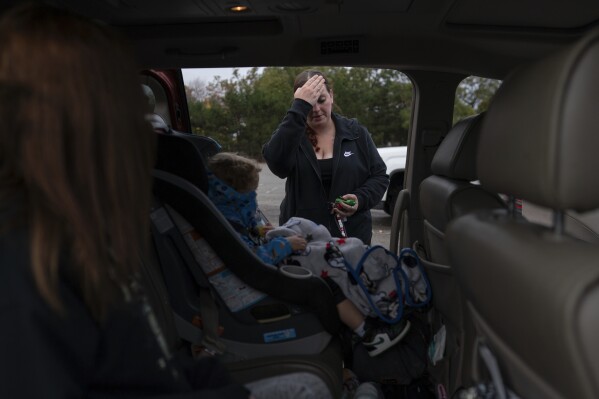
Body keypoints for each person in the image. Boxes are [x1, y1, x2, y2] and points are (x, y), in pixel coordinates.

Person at [0, 4, 251, 398]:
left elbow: (144, 367)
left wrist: (214, 382)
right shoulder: (25, 271)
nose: (139, 125)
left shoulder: (75, 232)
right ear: (74, 120)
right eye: (120, 103)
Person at [207, 152, 413, 357]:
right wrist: (285, 244)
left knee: (312, 236)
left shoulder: (226, 213)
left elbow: (247, 235)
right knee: (328, 279)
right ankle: (368, 334)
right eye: (251, 193)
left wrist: (261, 231)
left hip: (263, 270)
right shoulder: (227, 223)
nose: (254, 198)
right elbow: (250, 257)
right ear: (235, 194)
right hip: (260, 278)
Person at [262, 70, 389, 245]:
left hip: (352, 239)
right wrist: (298, 109)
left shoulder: (356, 132)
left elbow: (380, 177)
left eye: (321, 100)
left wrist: (360, 199)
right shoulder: (291, 135)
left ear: (331, 96)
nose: (315, 109)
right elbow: (277, 166)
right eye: (308, 103)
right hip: (301, 240)